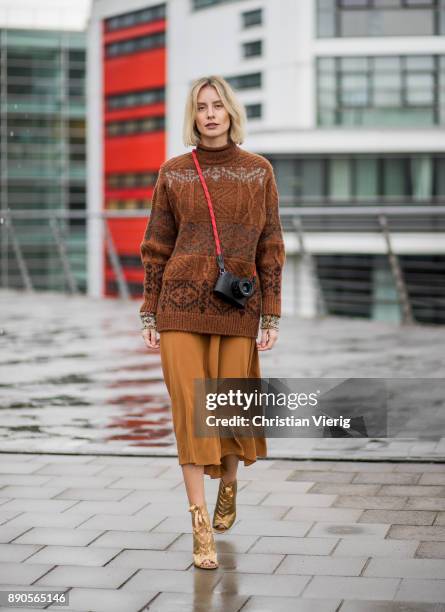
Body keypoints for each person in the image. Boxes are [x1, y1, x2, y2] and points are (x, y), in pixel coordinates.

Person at [139, 75, 286, 569]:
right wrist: (149, 309)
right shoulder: (175, 172)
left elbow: (270, 245)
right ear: (193, 115)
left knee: (224, 411)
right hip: (178, 308)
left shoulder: (258, 171)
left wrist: (272, 313)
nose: (209, 114)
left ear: (230, 112)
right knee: (189, 410)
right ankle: (199, 526)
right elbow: (156, 245)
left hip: (235, 308)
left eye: (217, 105)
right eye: (201, 106)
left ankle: (229, 481)